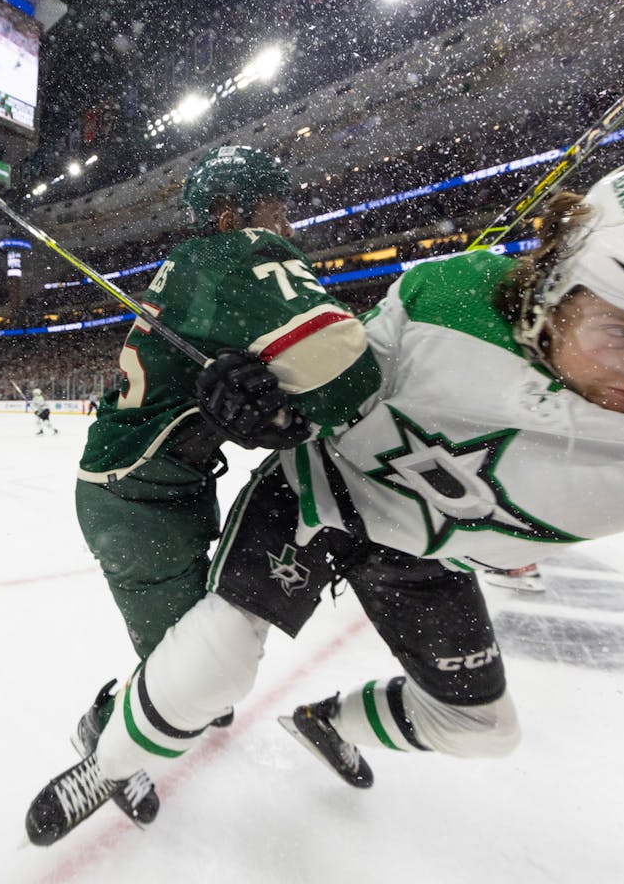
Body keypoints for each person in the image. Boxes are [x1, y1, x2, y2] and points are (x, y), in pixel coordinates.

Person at [24, 147, 624, 845]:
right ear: (562, 282)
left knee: (484, 730)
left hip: (426, 547)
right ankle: (107, 759)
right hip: (323, 499)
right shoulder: (447, 297)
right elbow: (338, 390)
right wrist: (274, 413)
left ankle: (323, 722)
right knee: (208, 668)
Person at [68, 144, 383, 827]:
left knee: (204, 660)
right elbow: (347, 380)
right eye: (279, 206)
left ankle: (158, 707)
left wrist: (260, 413)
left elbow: (224, 400)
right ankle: (102, 730)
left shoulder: (197, 269)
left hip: (159, 486)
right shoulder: (231, 254)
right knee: (186, 673)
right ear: (232, 210)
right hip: (135, 498)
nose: (289, 226)